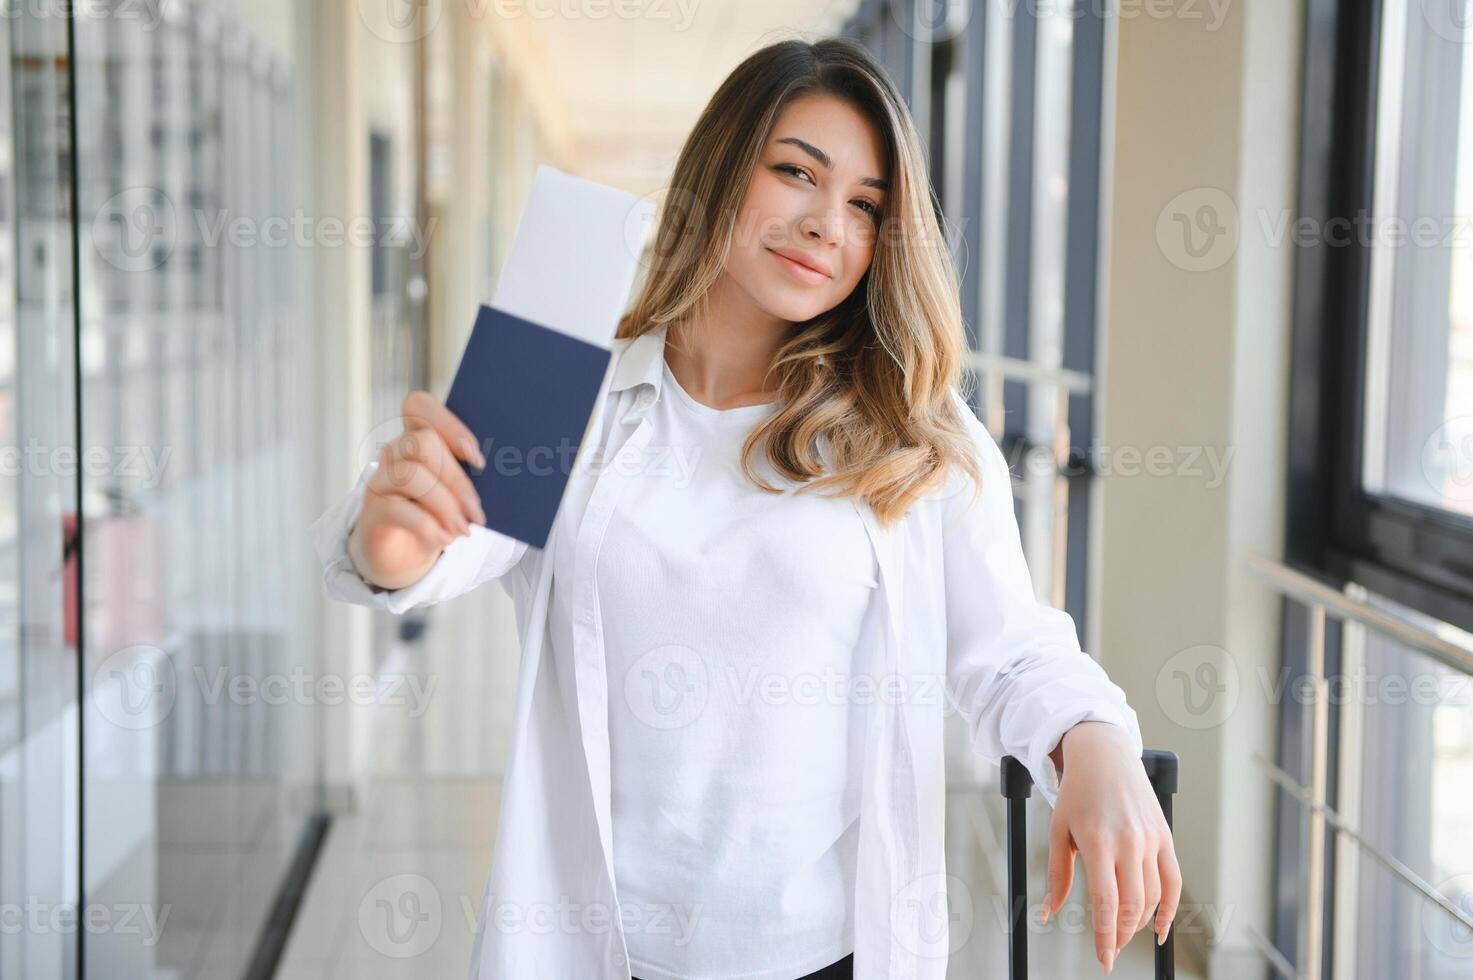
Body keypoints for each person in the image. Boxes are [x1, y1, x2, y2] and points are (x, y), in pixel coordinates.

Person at [313, 36, 1181, 980]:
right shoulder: (572, 391)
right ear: (721, 171)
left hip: (825, 955)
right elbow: (442, 539)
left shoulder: (912, 433)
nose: (824, 226)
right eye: (795, 174)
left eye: (864, 207)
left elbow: (1011, 652)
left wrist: (1094, 741)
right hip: (599, 947)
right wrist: (391, 542)